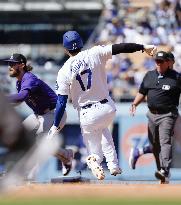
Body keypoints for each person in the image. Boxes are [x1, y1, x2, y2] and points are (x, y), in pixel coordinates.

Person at [48, 30, 157, 180]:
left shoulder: (63, 71)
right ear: (80, 43)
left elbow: (61, 102)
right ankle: (113, 165)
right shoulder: (95, 52)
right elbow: (121, 47)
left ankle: (94, 160)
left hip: (87, 113)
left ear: (65, 49)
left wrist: (55, 126)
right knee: (104, 129)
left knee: (94, 151)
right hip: (108, 108)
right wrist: (143, 47)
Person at [3, 53, 73, 179]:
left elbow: (21, 97)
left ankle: (25, 174)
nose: (10, 66)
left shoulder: (30, 79)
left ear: (22, 65)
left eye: (13, 64)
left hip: (55, 113)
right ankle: (66, 155)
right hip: (39, 115)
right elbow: (18, 101)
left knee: (36, 142)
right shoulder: (19, 82)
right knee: (21, 136)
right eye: (9, 63)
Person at [129, 51, 181, 184]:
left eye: (161, 61)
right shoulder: (149, 75)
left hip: (167, 114)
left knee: (165, 142)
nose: (158, 63)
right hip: (151, 114)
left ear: (168, 63)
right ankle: (162, 172)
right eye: (156, 61)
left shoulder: (176, 77)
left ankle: (165, 170)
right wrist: (135, 103)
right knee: (155, 146)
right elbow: (142, 91)